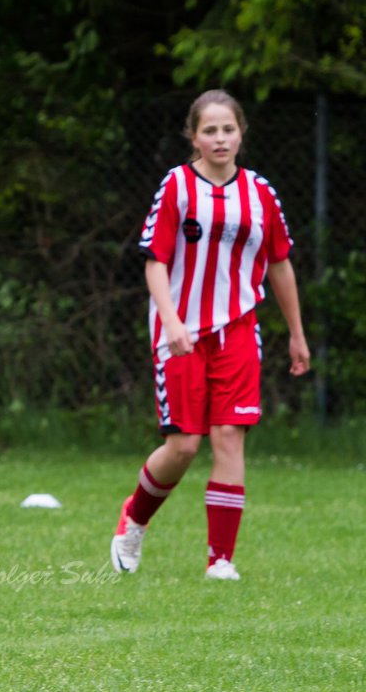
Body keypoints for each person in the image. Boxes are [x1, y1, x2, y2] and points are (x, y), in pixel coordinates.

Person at [111, 90, 310, 580]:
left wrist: (296, 334)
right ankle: (134, 519)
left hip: (239, 329)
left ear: (241, 132)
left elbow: (280, 264)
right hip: (179, 332)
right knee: (183, 446)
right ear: (193, 136)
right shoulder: (177, 186)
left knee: (229, 438)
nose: (220, 138)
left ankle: (220, 559)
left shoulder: (260, 193)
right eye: (209, 130)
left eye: (228, 129)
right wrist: (173, 321)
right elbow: (155, 261)